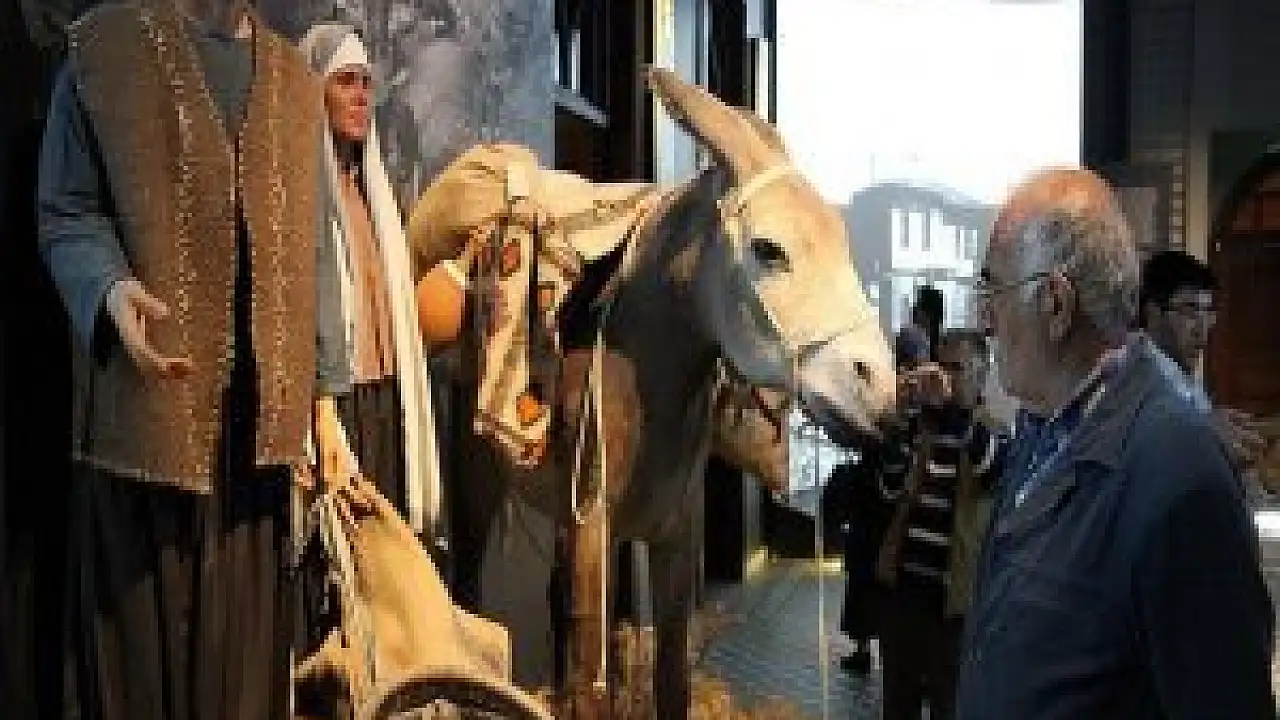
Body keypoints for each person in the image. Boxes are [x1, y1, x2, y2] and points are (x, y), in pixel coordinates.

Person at [36, 0, 351, 716]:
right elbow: (66, 212)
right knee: (140, 680)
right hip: (146, 437)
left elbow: (315, 249)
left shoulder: (295, 82)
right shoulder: (104, 49)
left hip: (256, 454)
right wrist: (108, 288)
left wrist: (325, 402)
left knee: (243, 683)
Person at [955, 166, 1274, 718]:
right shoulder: (1045, 427)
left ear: (1056, 305)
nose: (985, 321)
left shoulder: (1179, 477)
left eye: (993, 291)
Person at [298, 23, 443, 538]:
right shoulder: (304, 196)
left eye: (365, 82)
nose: (361, 95)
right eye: (345, 81)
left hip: (386, 395)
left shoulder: (375, 197)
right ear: (314, 91)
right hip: (338, 400)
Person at [875, 330, 1005, 720]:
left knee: (949, 708)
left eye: (955, 368)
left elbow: (990, 469)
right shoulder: (921, 428)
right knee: (898, 707)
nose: (944, 378)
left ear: (982, 374)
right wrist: (897, 426)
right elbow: (889, 491)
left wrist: (952, 413)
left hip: (953, 610)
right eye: (939, 367)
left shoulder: (993, 430)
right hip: (903, 597)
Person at [1138, 250, 1268, 489]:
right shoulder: (1136, 375)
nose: (1203, 327)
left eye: (1208, 311)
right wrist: (1203, 432)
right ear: (1153, 314)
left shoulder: (1179, 371)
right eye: (1190, 310)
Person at [821, 453, 893, 675]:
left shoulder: (859, 472)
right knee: (883, 598)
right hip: (887, 541)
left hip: (862, 541)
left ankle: (862, 651)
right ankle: (886, 654)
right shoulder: (893, 466)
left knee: (860, 596)